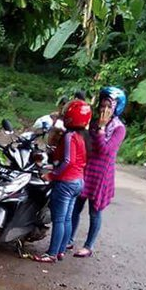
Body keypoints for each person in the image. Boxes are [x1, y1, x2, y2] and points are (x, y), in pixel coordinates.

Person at [68, 86, 127, 258]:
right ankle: (69, 239)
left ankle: (89, 245)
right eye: (103, 105)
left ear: (116, 107)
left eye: (109, 106)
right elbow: (87, 144)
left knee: (95, 211)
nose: (104, 109)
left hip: (101, 174)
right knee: (75, 207)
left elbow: (105, 149)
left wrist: (101, 129)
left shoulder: (118, 128)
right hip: (86, 169)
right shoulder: (93, 123)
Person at [32, 100, 91, 263]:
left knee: (59, 219)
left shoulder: (70, 136)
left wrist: (52, 174)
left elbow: (67, 161)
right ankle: (61, 250)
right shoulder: (83, 136)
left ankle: (51, 253)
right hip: (78, 182)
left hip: (66, 182)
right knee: (66, 219)